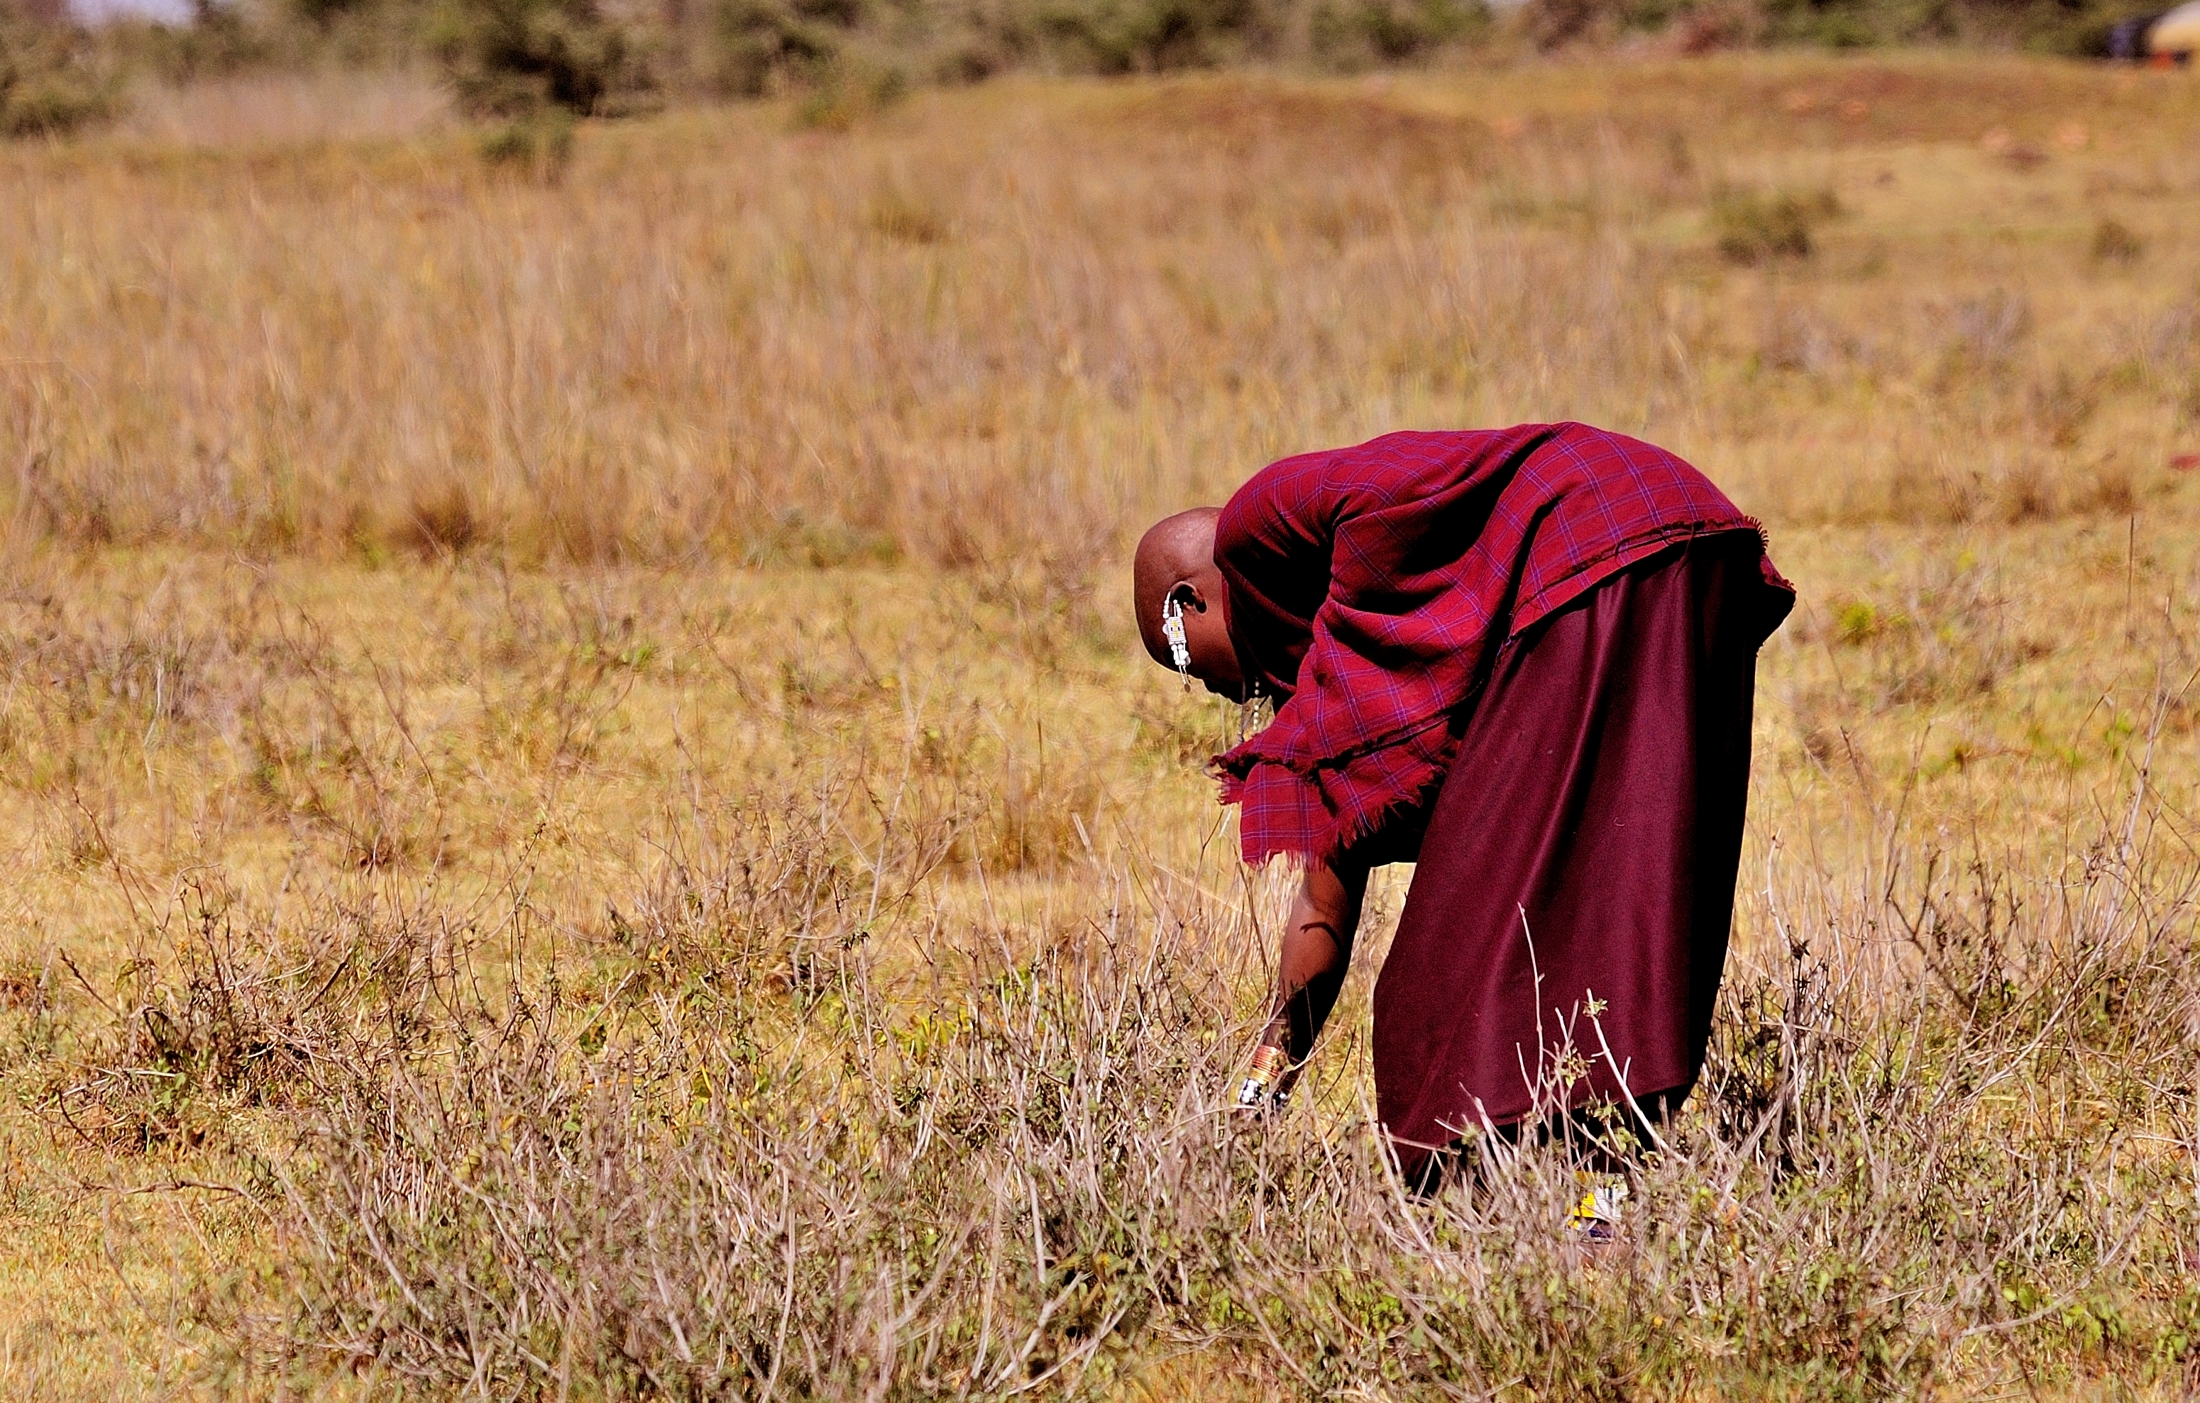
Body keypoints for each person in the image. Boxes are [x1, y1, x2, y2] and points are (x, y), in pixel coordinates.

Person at [1133, 423, 1794, 1191]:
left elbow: (1391, 500)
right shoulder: (1338, 670)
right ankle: (1594, 1201)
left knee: (1440, 976)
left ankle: (1538, 1204)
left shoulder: (1259, 529)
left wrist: (1404, 647)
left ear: (1189, 601)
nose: (1212, 690)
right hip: (1686, 545)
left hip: (1595, 551)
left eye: (1180, 657)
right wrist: (1266, 1079)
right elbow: (1327, 885)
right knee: (1617, 906)